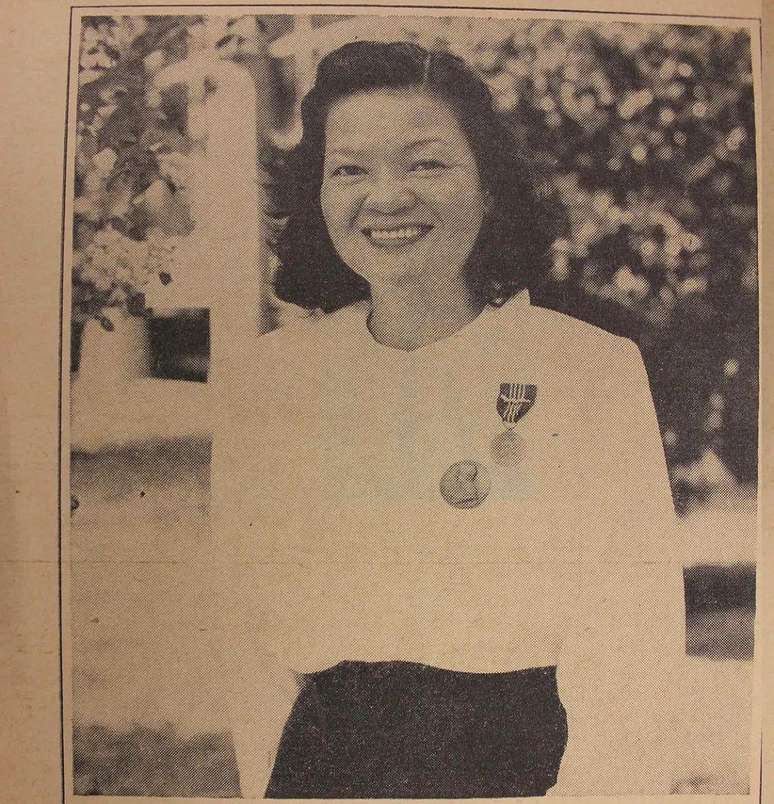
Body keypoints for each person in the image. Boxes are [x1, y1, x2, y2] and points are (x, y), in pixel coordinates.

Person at [213, 40, 686, 798]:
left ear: (490, 186)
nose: (387, 196)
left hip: (520, 771)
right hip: (320, 774)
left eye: (426, 162)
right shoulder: (271, 381)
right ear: (318, 196)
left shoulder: (587, 372)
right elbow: (250, 650)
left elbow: (632, 652)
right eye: (351, 169)